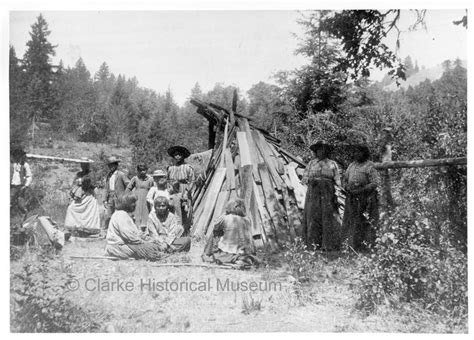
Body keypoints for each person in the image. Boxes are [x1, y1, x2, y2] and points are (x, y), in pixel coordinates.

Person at [301, 141, 342, 250]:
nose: (321, 152)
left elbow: (337, 179)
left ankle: (328, 245)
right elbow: (304, 178)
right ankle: (314, 245)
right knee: (313, 217)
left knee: (328, 216)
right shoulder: (311, 163)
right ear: (316, 151)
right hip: (313, 192)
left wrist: (337, 191)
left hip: (328, 192)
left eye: (324, 150)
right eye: (319, 150)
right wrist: (310, 181)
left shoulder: (332, 163)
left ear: (327, 151)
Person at [342, 141, 380, 251]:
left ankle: (366, 247)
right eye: (355, 152)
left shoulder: (370, 165)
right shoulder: (351, 165)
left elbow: (375, 182)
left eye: (359, 152)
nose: (356, 154)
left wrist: (361, 190)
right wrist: (347, 188)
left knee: (364, 221)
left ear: (364, 153)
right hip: (352, 197)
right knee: (351, 221)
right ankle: (351, 246)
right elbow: (344, 179)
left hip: (366, 198)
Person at [105, 194, 167, 260]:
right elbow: (130, 237)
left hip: (125, 245)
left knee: (153, 245)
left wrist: (149, 239)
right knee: (150, 248)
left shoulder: (125, 215)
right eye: (133, 203)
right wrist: (145, 242)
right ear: (127, 204)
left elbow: (136, 233)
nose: (135, 205)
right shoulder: (121, 215)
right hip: (118, 247)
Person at [202, 199, 259, 267]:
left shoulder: (226, 218)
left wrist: (225, 213)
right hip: (246, 252)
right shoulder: (247, 219)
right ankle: (244, 259)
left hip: (230, 251)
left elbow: (215, 226)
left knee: (215, 232)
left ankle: (207, 253)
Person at [64, 159, 100, 236]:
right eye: (82, 164)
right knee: (71, 208)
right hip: (79, 195)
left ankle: (88, 230)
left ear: (88, 165)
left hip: (88, 195)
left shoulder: (91, 174)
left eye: (85, 164)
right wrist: (72, 194)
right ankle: (75, 227)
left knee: (89, 211)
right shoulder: (79, 174)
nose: (83, 166)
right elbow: (74, 184)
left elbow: (94, 185)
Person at [167, 145, 196, 233]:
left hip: (184, 190)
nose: (178, 157)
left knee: (185, 209)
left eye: (180, 154)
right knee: (173, 209)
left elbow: (192, 181)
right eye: (176, 155)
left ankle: (185, 231)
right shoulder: (170, 168)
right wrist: (170, 189)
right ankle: (174, 230)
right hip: (173, 190)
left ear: (183, 156)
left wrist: (187, 192)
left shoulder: (188, 168)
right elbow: (167, 181)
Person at [104, 156, 130, 229]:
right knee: (108, 214)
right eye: (109, 165)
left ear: (116, 165)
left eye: (112, 165)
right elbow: (106, 187)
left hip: (119, 197)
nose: (111, 167)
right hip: (110, 196)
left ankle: (121, 230)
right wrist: (104, 199)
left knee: (119, 214)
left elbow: (128, 184)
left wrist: (125, 195)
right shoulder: (109, 175)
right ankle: (106, 230)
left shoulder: (121, 174)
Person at [126, 163, 154, 230]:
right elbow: (128, 188)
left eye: (144, 170)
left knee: (146, 212)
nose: (142, 172)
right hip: (137, 199)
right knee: (137, 212)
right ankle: (137, 229)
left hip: (147, 199)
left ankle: (147, 229)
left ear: (146, 170)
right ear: (138, 171)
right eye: (140, 170)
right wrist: (128, 198)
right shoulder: (135, 179)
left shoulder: (150, 179)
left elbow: (153, 189)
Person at [10, 148, 32, 215]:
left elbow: (29, 176)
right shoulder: (10, 164)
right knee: (9, 201)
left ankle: (25, 217)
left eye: (19, 155)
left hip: (21, 186)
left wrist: (26, 185)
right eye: (15, 155)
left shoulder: (25, 165)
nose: (17, 157)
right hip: (11, 186)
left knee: (21, 204)